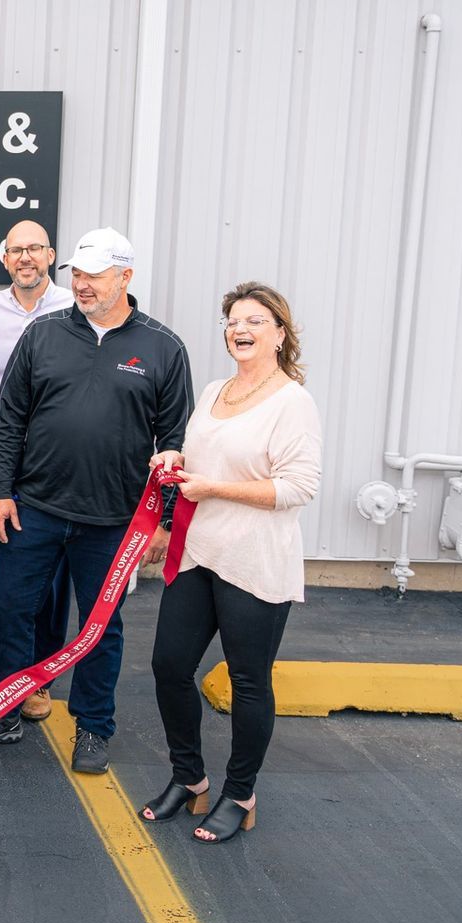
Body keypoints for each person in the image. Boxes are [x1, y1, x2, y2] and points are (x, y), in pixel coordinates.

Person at [0, 226, 194, 772]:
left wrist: (165, 523)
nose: (82, 284)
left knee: (100, 628)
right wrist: (0, 492)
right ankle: (3, 711)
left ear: (126, 276)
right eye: (76, 274)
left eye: (94, 275)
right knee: (10, 610)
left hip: (113, 520)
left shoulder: (163, 347)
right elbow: (8, 419)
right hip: (35, 508)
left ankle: (94, 727)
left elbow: (176, 442)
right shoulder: (43, 334)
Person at [143, 282, 321, 844]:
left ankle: (240, 794)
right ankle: (189, 778)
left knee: (248, 682)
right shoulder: (215, 390)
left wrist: (214, 488)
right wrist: (176, 457)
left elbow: (298, 487)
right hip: (200, 551)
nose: (240, 329)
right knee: (170, 666)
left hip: (254, 560)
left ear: (280, 334)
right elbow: (204, 458)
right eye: (233, 321)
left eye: (254, 321)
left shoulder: (292, 402)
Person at [0, 220, 76, 713]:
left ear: (50, 255)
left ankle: (39, 676)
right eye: (16, 250)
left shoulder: (72, 306)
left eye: (34, 249)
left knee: (52, 567)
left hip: (54, 457)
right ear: (4, 259)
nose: (25, 257)